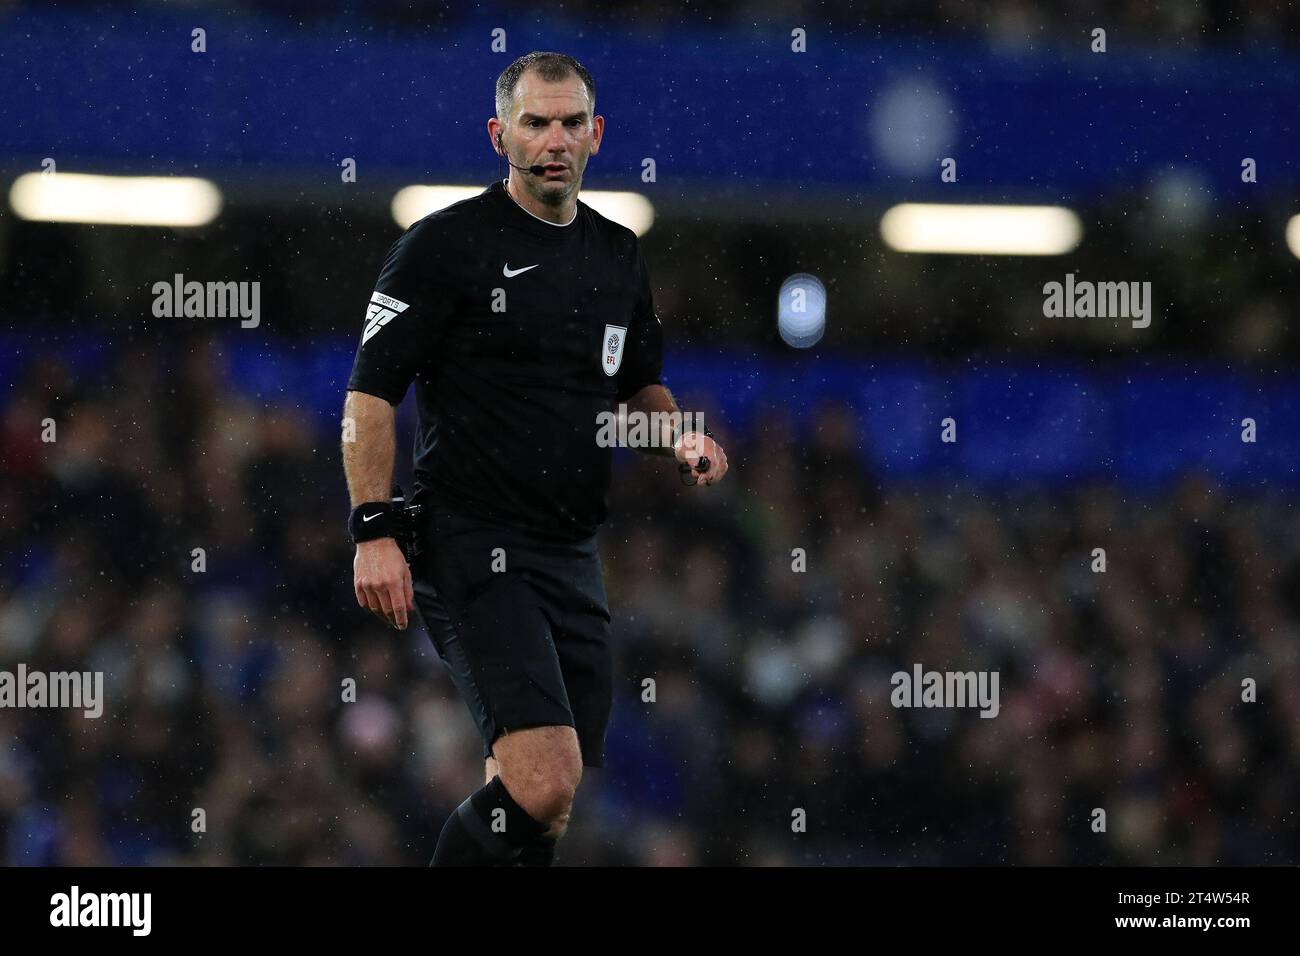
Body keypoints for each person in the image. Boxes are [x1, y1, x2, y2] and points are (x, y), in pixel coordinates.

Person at [340, 51, 728, 866]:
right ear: (498, 134)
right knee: (545, 776)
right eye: (534, 122)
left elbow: (636, 392)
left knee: (542, 798)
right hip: (472, 540)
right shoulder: (444, 246)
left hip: (573, 550)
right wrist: (371, 526)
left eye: (570, 122)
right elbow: (370, 394)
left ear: (597, 134)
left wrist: (680, 435)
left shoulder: (618, 256)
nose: (554, 139)